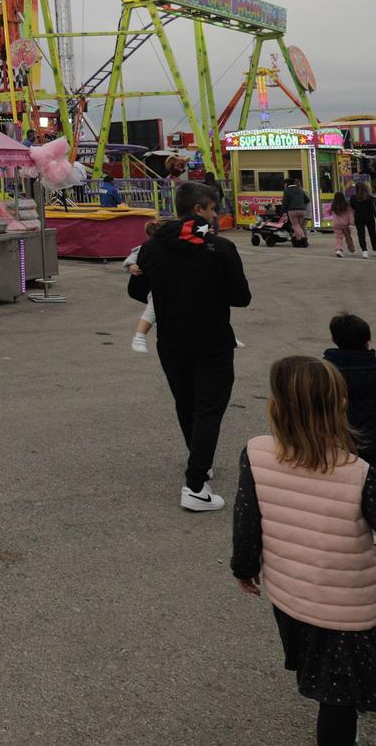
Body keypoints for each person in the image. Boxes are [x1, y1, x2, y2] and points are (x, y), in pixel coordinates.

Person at [231, 356, 376, 746]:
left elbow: (246, 521)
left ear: (276, 406)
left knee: (328, 671)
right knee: (334, 698)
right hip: (341, 608)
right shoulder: (358, 474)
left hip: (289, 595)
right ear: (339, 407)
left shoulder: (256, 453)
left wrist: (244, 568)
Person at [127, 180, 250, 511]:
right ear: (199, 209)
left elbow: (138, 292)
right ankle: (195, 486)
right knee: (209, 410)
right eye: (213, 208)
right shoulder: (221, 249)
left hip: (171, 341)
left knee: (186, 404)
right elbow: (241, 297)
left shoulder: (151, 248)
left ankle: (201, 462)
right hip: (212, 340)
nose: (215, 215)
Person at [321, 313, 376, 475]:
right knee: (373, 491)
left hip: (333, 447)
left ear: (334, 340)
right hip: (375, 448)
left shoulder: (322, 373)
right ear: (367, 341)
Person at [125, 217, 166, 354]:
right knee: (154, 306)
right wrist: (131, 265)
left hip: (170, 284)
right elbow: (132, 257)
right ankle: (139, 336)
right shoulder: (147, 247)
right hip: (155, 286)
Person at [348, 181, 376, 258]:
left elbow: (352, 207)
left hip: (358, 217)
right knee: (372, 234)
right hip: (369, 217)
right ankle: (375, 249)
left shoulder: (353, 198)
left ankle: (364, 251)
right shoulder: (370, 198)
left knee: (361, 234)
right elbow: (374, 209)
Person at [281, 174, 312, 247]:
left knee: (295, 225)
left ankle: (299, 241)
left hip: (292, 210)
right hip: (302, 210)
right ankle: (304, 240)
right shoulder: (300, 189)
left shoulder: (287, 190)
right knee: (299, 226)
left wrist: (284, 210)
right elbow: (307, 200)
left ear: (287, 184)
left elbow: (285, 202)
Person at [328, 190, 356, 257]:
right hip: (345, 224)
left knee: (338, 237)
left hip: (336, 224)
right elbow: (350, 216)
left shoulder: (333, 205)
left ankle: (338, 249)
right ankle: (351, 248)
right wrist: (351, 224)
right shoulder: (347, 206)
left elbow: (329, 213)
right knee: (348, 237)